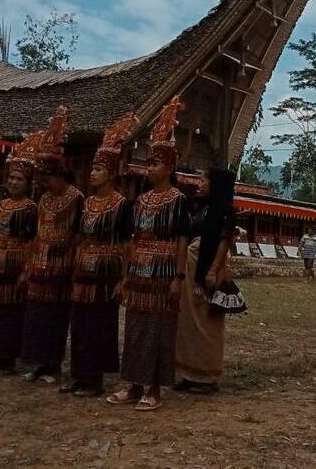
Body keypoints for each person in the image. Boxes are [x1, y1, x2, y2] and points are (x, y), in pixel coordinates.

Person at [108, 97, 189, 411]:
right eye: (147, 162)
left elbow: (182, 240)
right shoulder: (139, 201)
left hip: (164, 274)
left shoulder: (178, 200)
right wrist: (126, 275)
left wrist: (179, 278)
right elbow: (130, 240)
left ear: (168, 167)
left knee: (158, 329)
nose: (148, 167)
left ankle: (154, 387)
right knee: (136, 328)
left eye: (154, 163)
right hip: (139, 274)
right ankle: (133, 382)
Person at [63, 116, 136, 398]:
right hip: (83, 270)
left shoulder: (121, 205)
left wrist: (124, 278)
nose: (92, 173)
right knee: (79, 324)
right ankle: (79, 375)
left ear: (111, 173)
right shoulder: (88, 202)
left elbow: (127, 244)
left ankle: (94, 379)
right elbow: (80, 236)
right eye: (92, 167)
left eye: (99, 168)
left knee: (98, 326)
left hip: (106, 272)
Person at [21, 107, 84, 384]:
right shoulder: (43, 200)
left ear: (58, 173)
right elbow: (36, 232)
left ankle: (53, 365)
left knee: (56, 318)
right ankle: (37, 362)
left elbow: (79, 234)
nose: (43, 182)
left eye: (46, 177)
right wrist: (30, 261)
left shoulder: (76, 198)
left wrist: (72, 262)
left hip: (62, 262)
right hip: (40, 262)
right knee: (36, 316)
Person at [0, 131, 40, 376]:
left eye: (20, 179)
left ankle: (8, 359)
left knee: (11, 314)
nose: (14, 182)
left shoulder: (30, 208)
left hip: (15, 264)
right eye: (12, 178)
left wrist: (25, 269)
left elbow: (30, 241)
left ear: (28, 184)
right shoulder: (0, 206)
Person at [175, 166, 236, 393]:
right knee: (188, 322)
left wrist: (211, 271)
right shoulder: (201, 208)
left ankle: (208, 377)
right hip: (190, 270)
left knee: (206, 322)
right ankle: (190, 373)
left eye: (203, 180)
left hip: (208, 269)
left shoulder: (225, 210)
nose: (198, 184)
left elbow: (224, 241)